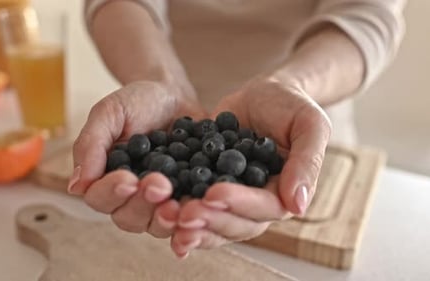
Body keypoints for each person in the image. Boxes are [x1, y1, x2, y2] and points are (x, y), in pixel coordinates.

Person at [70, 0, 406, 258]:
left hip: (295, 131)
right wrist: (157, 78)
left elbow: (368, 15)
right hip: (162, 104)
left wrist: (291, 86)